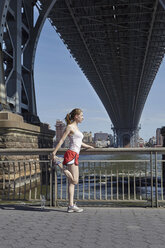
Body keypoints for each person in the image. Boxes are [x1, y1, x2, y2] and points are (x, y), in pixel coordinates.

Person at [52, 108, 94, 213]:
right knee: (75, 180)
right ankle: (60, 164)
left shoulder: (77, 129)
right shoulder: (70, 127)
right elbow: (62, 140)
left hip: (76, 155)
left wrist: (89, 146)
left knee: (72, 182)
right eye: (82, 115)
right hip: (71, 154)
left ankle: (70, 205)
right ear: (76, 116)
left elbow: (79, 143)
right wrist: (54, 152)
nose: (83, 117)